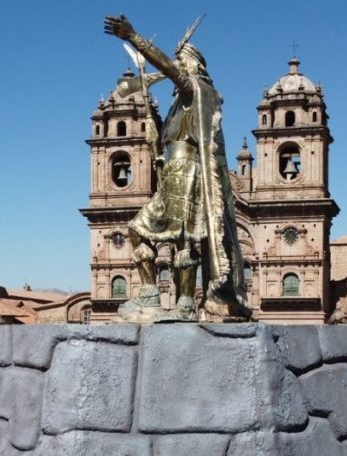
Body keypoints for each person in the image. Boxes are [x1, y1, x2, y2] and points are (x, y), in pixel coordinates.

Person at [104, 14, 252, 323]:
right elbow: (172, 141)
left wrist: (134, 37)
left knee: (177, 236)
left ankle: (173, 300)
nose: (176, 65)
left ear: (195, 66)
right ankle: (167, 298)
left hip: (186, 173)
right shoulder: (182, 107)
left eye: (181, 60)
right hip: (175, 170)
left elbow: (169, 70)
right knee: (163, 234)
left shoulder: (193, 90)